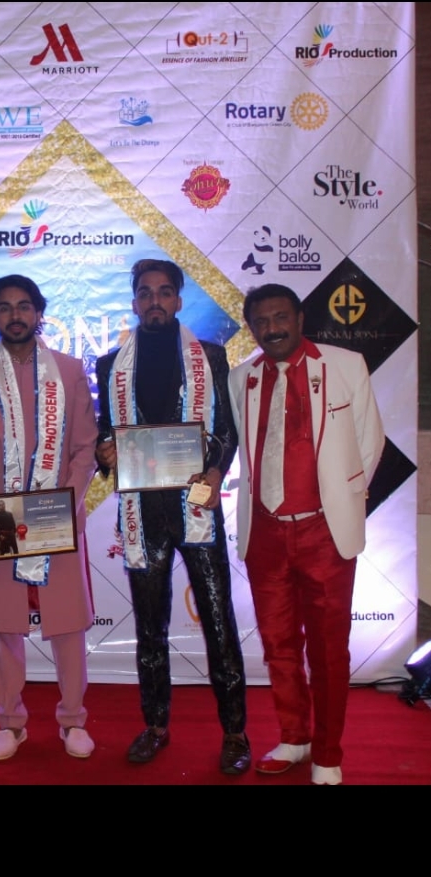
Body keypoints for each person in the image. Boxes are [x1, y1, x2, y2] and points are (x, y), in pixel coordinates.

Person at [96, 259, 250, 773]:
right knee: (149, 628)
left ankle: (235, 733)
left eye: (164, 293)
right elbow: (105, 432)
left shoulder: (210, 356)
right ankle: (156, 725)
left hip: (195, 503)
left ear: (179, 301)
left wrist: (216, 468)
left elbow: (225, 430)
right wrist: (103, 452)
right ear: (134, 302)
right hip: (143, 511)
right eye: (145, 293)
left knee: (218, 622)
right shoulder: (110, 365)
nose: (155, 301)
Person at [228, 284, 384, 785]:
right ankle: (294, 738)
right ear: (251, 328)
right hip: (264, 533)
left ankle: (328, 752)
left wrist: (340, 501)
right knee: (278, 645)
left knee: (329, 650)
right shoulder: (242, 377)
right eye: (261, 321)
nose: (271, 329)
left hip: (324, 532)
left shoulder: (345, 365)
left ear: (299, 317)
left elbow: (369, 442)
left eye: (280, 317)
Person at [0, 274, 98, 761]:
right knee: (6, 626)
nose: (15, 315)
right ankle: (10, 722)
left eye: (24, 306)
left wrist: (63, 504)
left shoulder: (69, 372)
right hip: (1, 520)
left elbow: (84, 448)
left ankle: (72, 720)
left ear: (39, 312)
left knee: (67, 624)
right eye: (4, 307)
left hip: (58, 515)